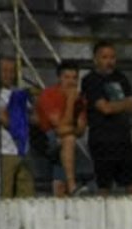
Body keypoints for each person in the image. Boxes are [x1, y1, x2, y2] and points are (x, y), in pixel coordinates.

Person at [82, 40, 132, 195]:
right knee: (104, 186)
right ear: (96, 59)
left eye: (112, 57)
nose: (109, 61)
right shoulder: (90, 80)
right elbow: (104, 108)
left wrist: (115, 105)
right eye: (105, 57)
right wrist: (124, 103)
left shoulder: (121, 77)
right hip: (102, 140)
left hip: (124, 139)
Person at [36, 60, 88, 196]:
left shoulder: (80, 100)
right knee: (69, 139)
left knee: (68, 139)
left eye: (74, 78)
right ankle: (72, 186)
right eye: (67, 77)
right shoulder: (48, 94)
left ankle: (62, 193)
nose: (71, 82)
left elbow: (81, 130)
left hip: (61, 140)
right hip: (43, 138)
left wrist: (67, 130)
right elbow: (59, 127)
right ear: (59, 78)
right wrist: (70, 101)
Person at [0, 56, 35, 198]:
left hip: (23, 151)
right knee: (5, 195)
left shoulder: (19, 94)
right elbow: (4, 119)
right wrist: (19, 123)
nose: (8, 75)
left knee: (26, 196)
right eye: (4, 71)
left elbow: (32, 117)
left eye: (11, 71)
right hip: (5, 151)